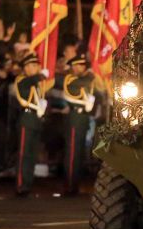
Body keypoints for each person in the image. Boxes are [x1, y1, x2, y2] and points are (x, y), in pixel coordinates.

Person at [55, 53, 95, 195]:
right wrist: (90, 75)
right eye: (77, 65)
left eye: (82, 65)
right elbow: (80, 84)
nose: (80, 68)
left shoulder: (86, 79)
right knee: (72, 153)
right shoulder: (70, 79)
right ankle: (70, 185)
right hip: (74, 117)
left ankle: (75, 184)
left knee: (79, 154)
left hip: (83, 118)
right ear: (72, 67)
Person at [13, 52, 48, 197]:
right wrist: (40, 76)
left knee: (32, 155)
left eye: (37, 65)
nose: (36, 68)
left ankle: (28, 183)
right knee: (23, 154)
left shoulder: (37, 83)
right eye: (33, 65)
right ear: (25, 68)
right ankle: (21, 184)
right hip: (26, 119)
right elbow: (28, 83)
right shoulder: (22, 80)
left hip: (36, 120)